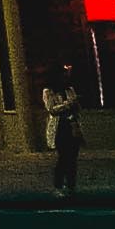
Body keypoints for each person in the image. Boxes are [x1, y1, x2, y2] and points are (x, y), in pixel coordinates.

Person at [42, 67, 83, 198]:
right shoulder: (49, 91)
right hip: (60, 127)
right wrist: (67, 105)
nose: (66, 78)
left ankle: (71, 185)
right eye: (63, 76)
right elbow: (51, 109)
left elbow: (77, 107)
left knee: (73, 157)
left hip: (72, 125)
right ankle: (58, 185)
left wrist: (75, 104)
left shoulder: (69, 90)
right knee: (63, 157)